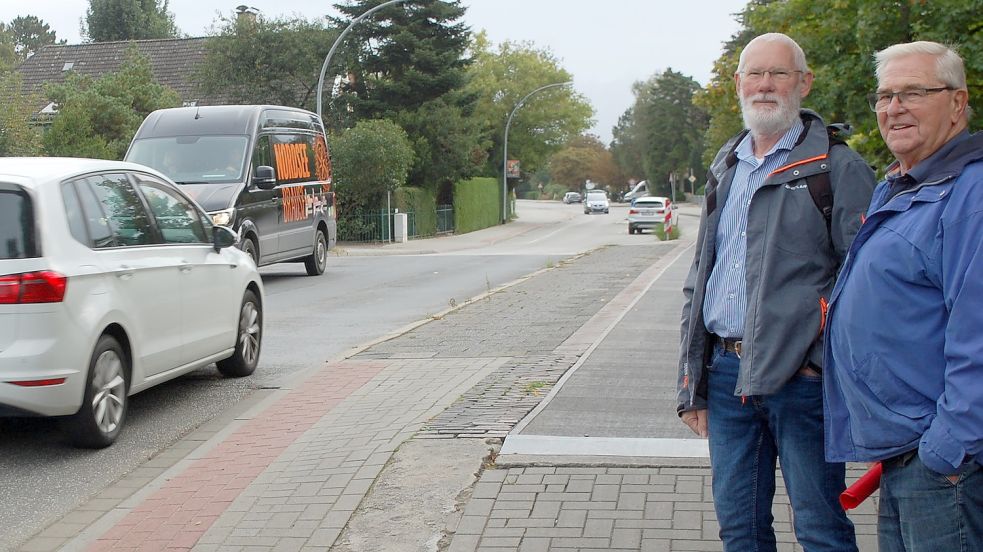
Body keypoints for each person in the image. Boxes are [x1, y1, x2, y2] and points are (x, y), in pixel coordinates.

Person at [676, 32, 876, 551]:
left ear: (804, 83)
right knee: (740, 530)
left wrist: (815, 359)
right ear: (738, 84)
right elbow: (701, 280)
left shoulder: (838, 167)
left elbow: (863, 281)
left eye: (779, 73)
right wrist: (691, 381)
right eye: (755, 74)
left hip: (801, 381)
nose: (766, 85)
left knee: (821, 530)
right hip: (726, 376)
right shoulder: (727, 166)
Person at [823, 41, 982, 551]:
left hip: (943, 462)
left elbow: (977, 333)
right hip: (906, 455)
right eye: (885, 96)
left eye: (914, 92)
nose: (895, 108)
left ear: (957, 103)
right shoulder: (904, 184)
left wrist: (947, 448)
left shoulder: (970, 195)